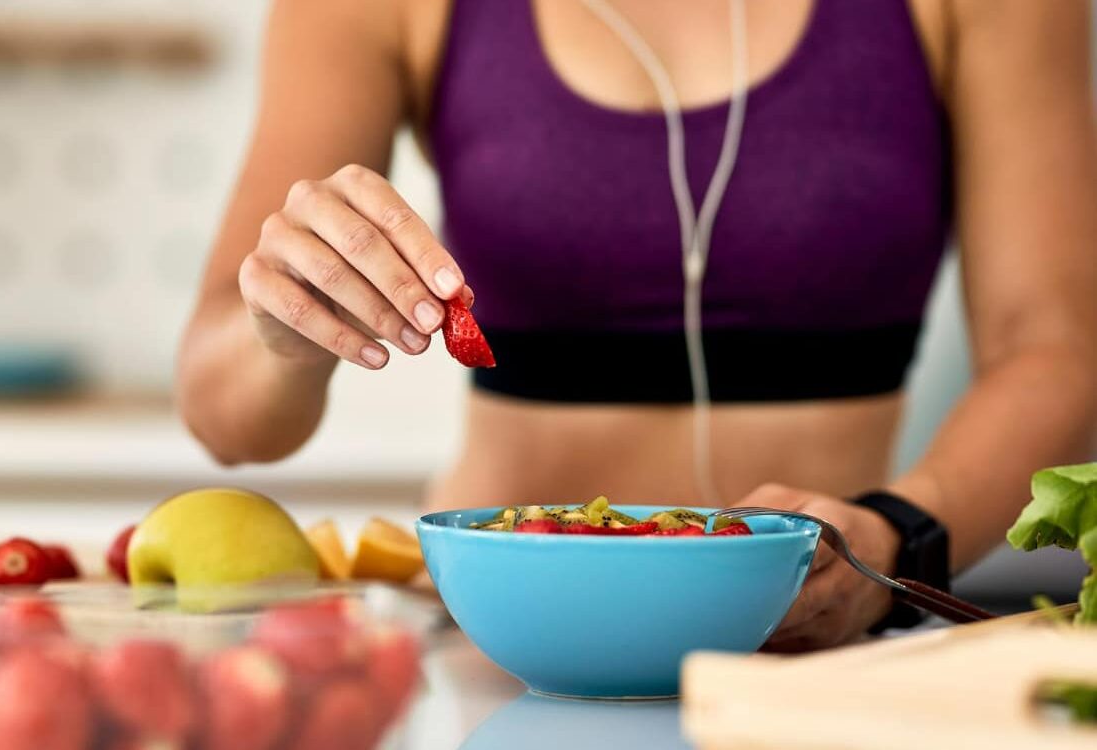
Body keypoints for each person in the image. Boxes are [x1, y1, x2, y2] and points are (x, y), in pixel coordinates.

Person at [177, 0, 1097, 650]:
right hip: (498, 653)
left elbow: (1057, 349)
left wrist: (895, 537)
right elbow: (227, 416)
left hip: (816, 653)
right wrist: (283, 329)